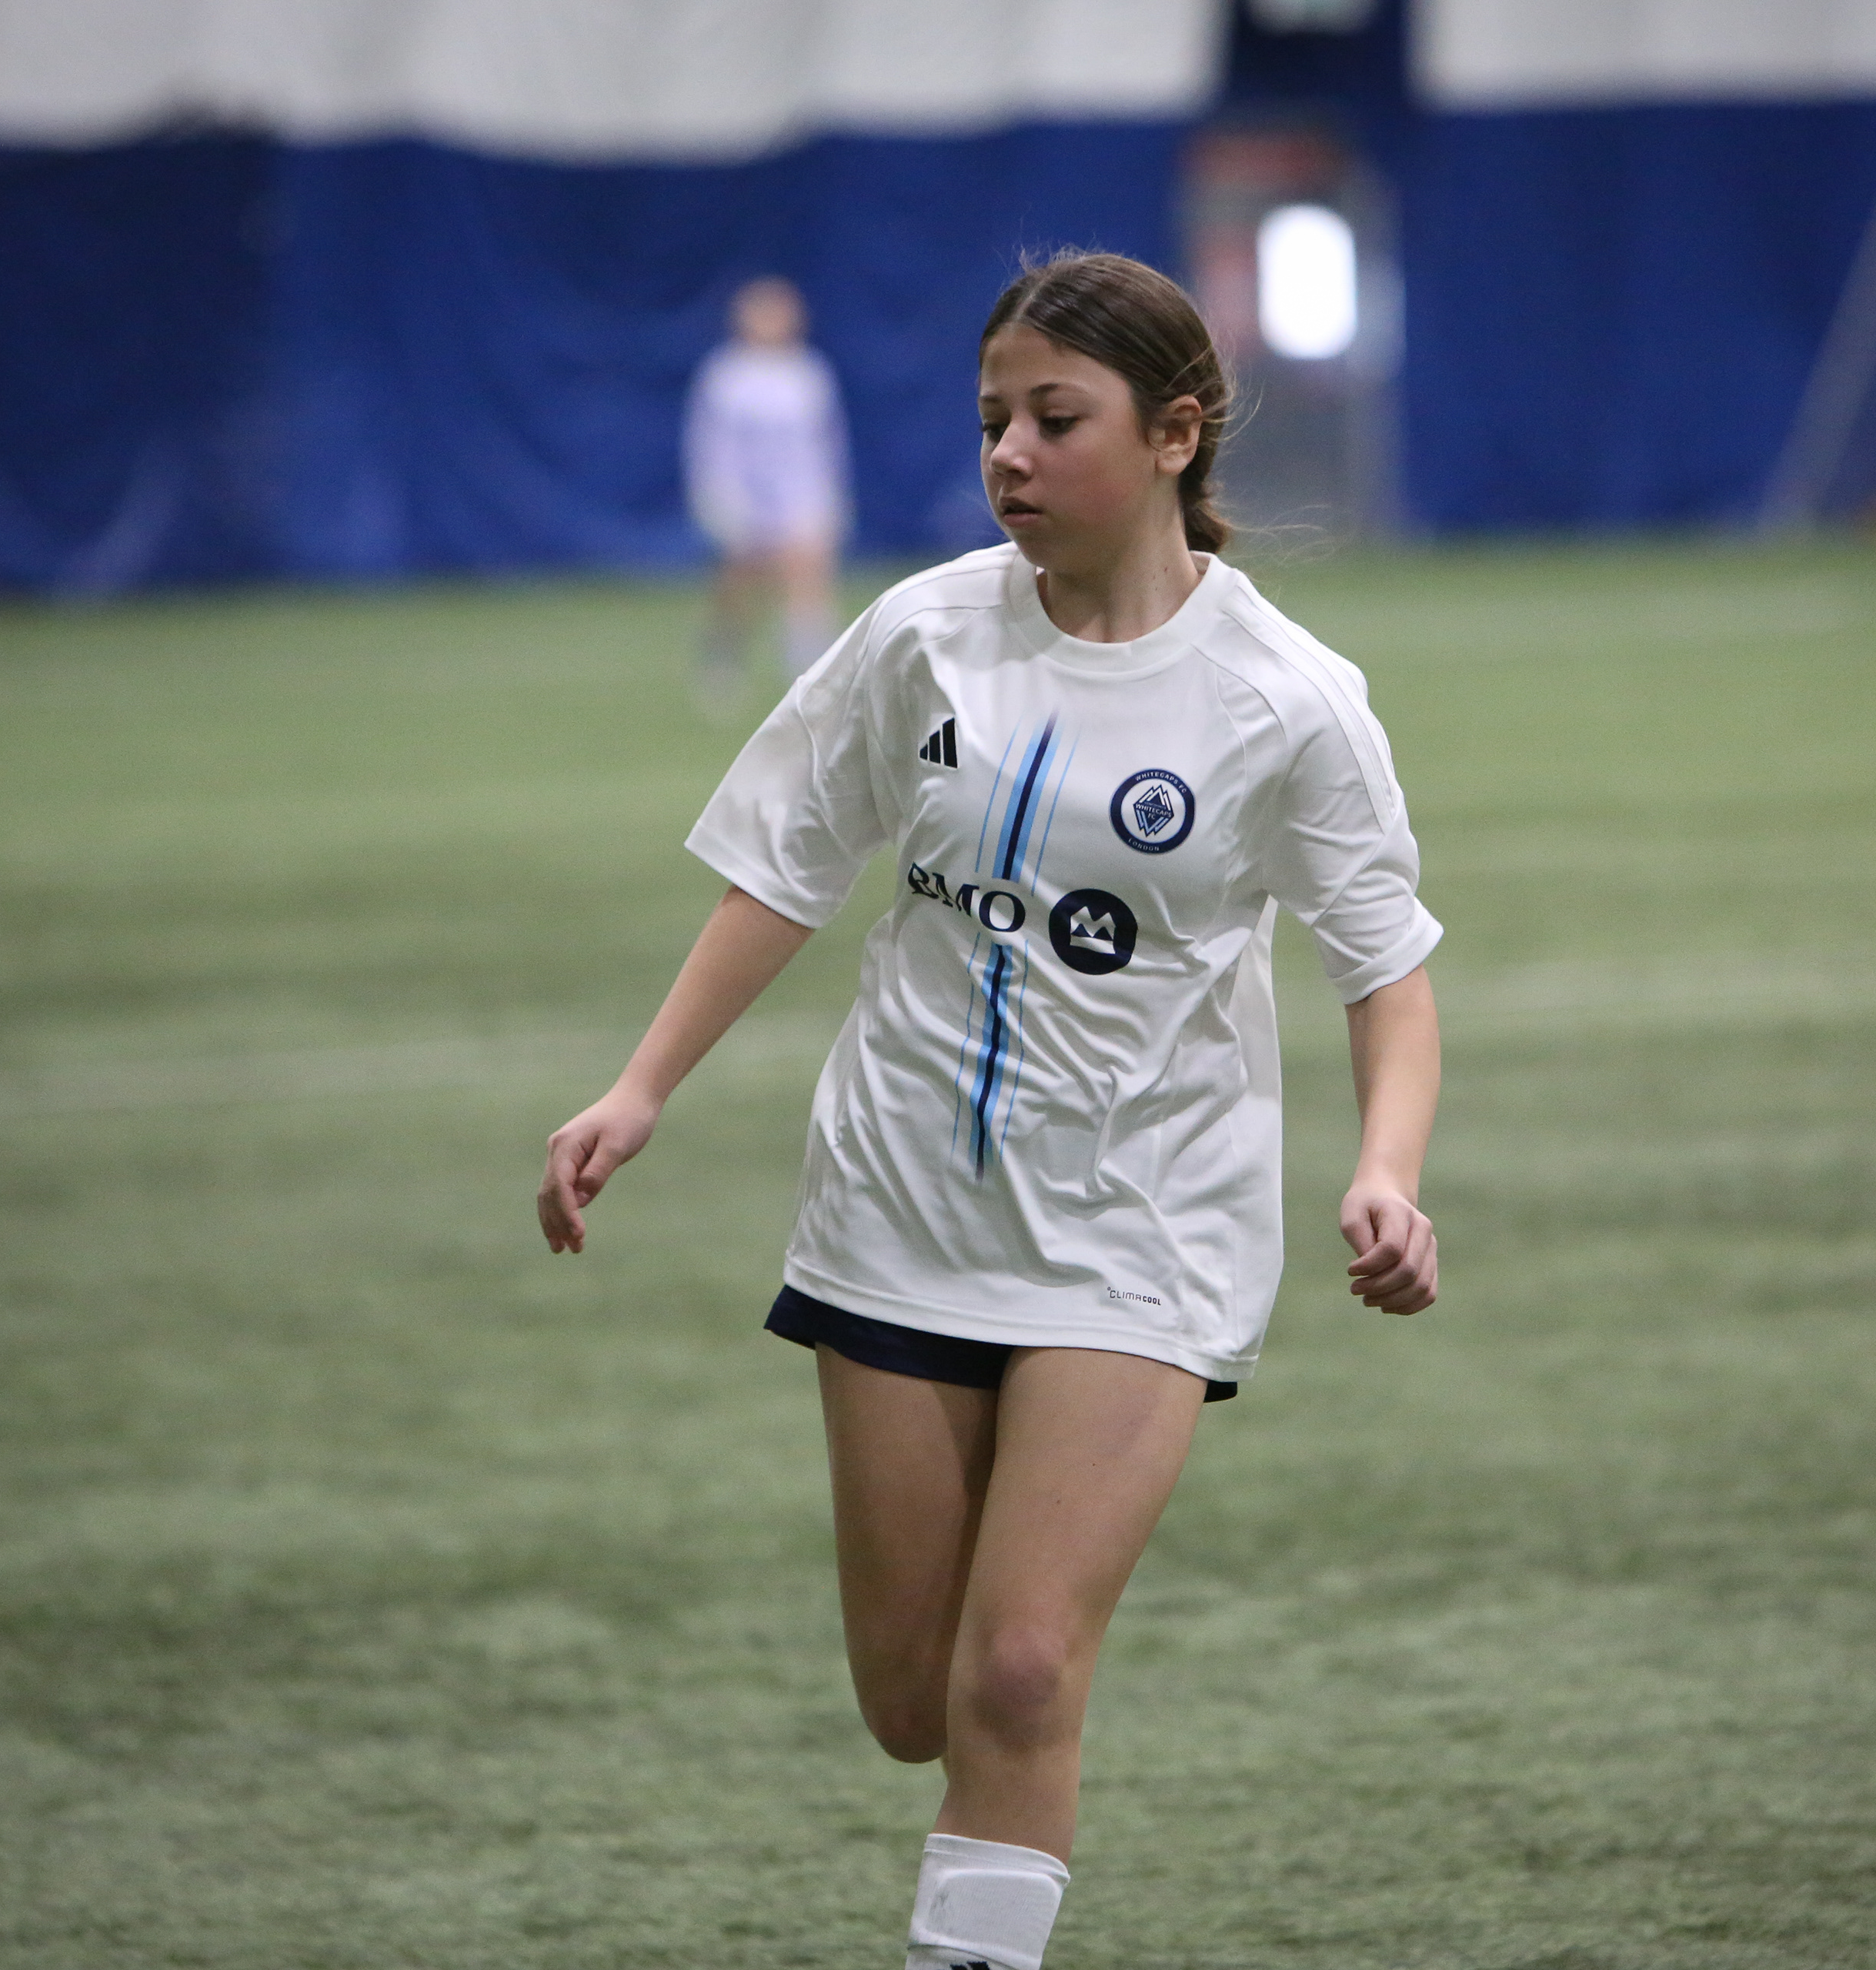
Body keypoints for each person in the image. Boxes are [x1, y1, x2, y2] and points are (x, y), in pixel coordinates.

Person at [541, 251, 1441, 1970]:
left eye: (1055, 419)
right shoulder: (925, 632)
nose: (1010, 455)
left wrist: (1386, 1171)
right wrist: (641, 1086)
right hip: (899, 1203)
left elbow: (1387, 971)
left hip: (1140, 1229)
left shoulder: (1287, 696)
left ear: (1175, 433)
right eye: (991, 421)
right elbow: (786, 863)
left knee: (1019, 1671)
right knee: (915, 1701)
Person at [685, 274, 851, 702]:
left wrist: (830, 496)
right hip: (743, 494)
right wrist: (717, 497)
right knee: (741, 581)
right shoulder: (727, 374)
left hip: (801, 492)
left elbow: (825, 441)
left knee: (807, 571)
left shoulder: (808, 372)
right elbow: (709, 442)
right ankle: (723, 656)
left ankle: (810, 671)